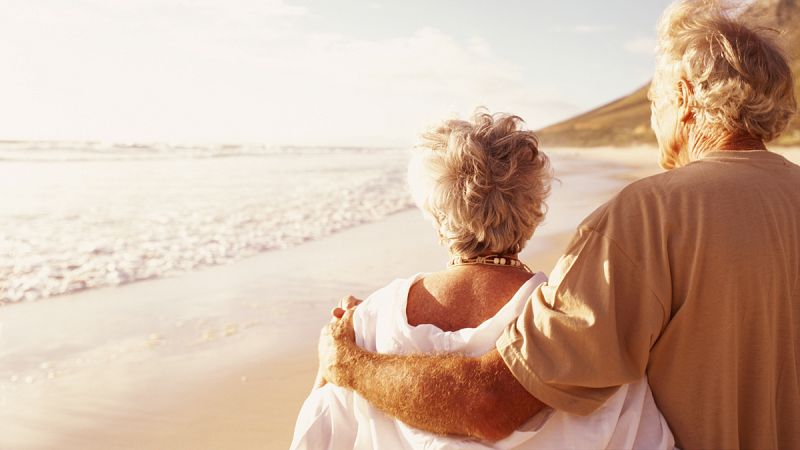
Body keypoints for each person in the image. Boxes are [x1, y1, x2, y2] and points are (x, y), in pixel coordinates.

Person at [316, 1, 800, 449]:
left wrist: (349, 364)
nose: (655, 120)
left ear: (685, 96)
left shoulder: (650, 216)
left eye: (655, 102)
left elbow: (492, 405)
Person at [291, 112, 674, 449]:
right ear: (532, 212)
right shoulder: (577, 325)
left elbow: (317, 437)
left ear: (435, 214)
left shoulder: (364, 325)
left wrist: (353, 341)